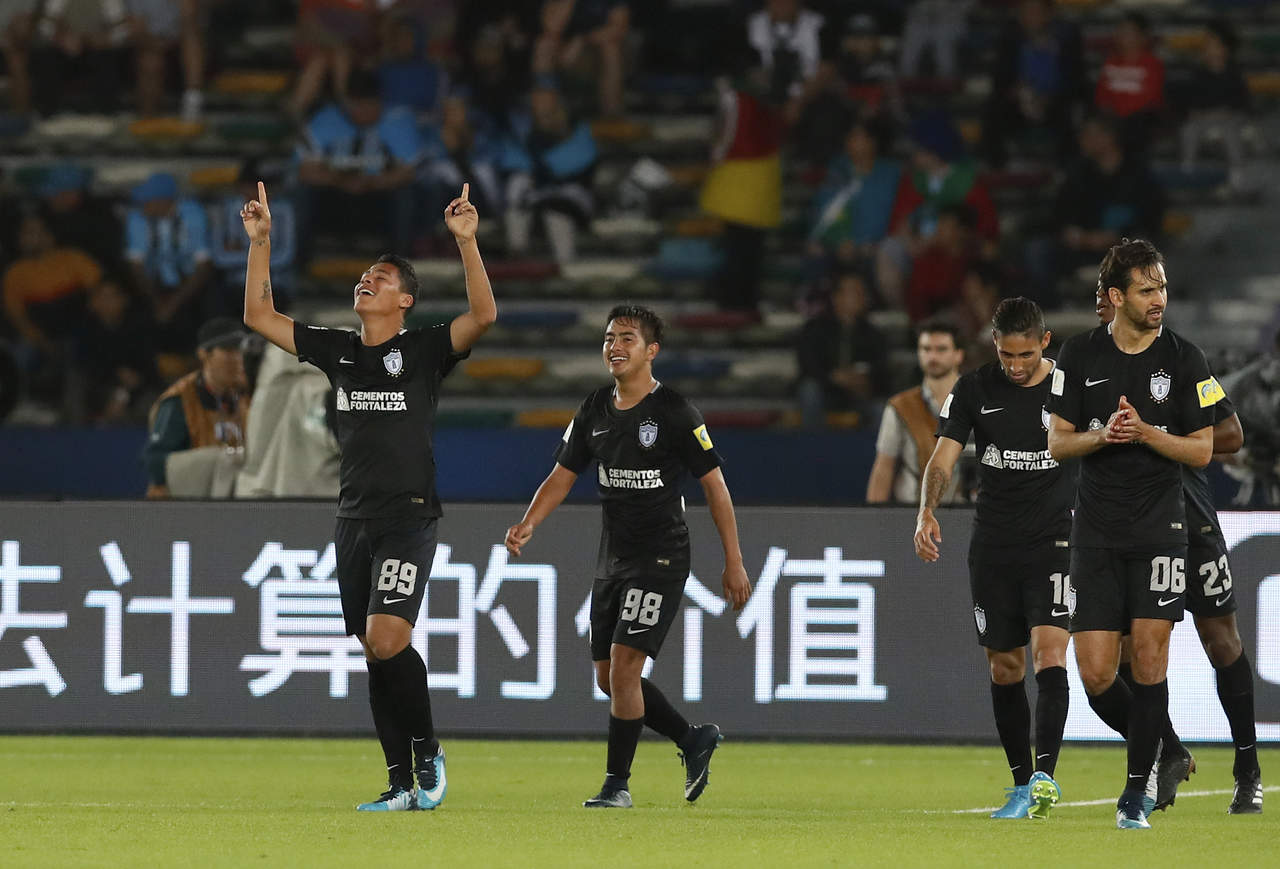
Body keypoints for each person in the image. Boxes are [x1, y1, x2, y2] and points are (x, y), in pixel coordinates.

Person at [240, 180, 495, 811]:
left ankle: (428, 750)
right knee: (374, 652)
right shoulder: (341, 352)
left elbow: (483, 317)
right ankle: (400, 782)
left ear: (405, 300)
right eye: (363, 277)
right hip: (352, 517)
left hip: (408, 516)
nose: (365, 282)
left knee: (387, 637)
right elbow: (260, 318)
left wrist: (467, 243)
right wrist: (261, 242)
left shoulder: (425, 350)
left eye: (379, 279)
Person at [503, 304, 752, 809]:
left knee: (622, 669)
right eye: (609, 338)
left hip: (661, 557)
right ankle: (692, 738)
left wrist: (734, 561)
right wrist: (529, 522)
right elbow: (562, 475)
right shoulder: (594, 408)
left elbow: (716, 487)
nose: (614, 347)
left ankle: (617, 785)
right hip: (613, 557)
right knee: (609, 678)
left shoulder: (675, 412)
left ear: (651, 351)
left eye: (627, 339)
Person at [1045, 238, 1219, 829]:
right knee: (1097, 675)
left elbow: (1203, 450)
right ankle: (1168, 748)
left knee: (1148, 660)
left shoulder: (1185, 358)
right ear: (1116, 297)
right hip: (1095, 531)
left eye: (1162, 287)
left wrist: (1146, 433)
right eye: (1147, 290)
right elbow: (1057, 442)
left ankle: (1133, 793)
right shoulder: (1078, 354)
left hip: (1160, 529)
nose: (1158, 299)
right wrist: (1103, 435)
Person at [1095, 286, 1263, 815]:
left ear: (1119, 301)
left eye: (1104, 300)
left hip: (1189, 517)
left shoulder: (1179, 360)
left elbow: (1230, 434)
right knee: (1126, 653)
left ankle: (1247, 769)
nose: (1099, 310)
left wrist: (1163, 436)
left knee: (1221, 640)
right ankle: (1169, 749)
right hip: (1123, 527)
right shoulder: (1085, 367)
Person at [915, 297, 1072, 820]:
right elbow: (943, 458)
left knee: (1049, 653)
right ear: (994, 345)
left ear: (1044, 342)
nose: (1016, 365)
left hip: (1056, 540)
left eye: (1026, 354)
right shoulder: (974, 389)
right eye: (1007, 355)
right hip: (995, 544)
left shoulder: (1070, 386)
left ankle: (1045, 777)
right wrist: (926, 511)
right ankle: (1022, 784)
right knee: (1005, 666)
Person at [142, 316, 250, 499]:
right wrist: (214, 460)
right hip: (185, 504)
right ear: (203, 354)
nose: (237, 358)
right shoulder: (179, 401)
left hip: (234, 501)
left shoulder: (247, 397)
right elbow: (155, 463)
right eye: (227, 350)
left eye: (240, 350)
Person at [866, 321, 965, 504]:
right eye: (926, 349)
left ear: (958, 355)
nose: (932, 356)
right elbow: (884, 467)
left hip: (965, 510)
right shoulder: (901, 406)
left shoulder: (979, 403)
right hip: (911, 510)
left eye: (941, 349)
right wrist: (874, 513)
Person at [796, 269, 888, 428]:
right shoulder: (814, 329)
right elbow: (808, 365)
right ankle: (812, 442)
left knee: (883, 408)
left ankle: (875, 445)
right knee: (809, 391)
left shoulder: (874, 334)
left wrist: (865, 381)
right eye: (854, 292)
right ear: (836, 297)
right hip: (826, 390)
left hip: (860, 394)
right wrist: (834, 377)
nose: (860, 297)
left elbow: (883, 370)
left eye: (862, 292)